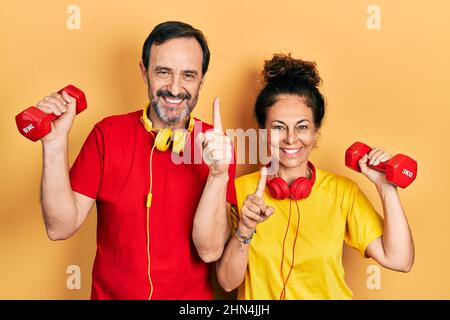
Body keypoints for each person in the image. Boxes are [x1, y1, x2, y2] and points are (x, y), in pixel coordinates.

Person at [37, 21, 236, 299]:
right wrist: (54, 142)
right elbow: (60, 227)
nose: (175, 89)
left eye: (188, 75)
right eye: (163, 72)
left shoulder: (218, 147)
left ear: (201, 80)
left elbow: (210, 250)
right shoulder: (106, 134)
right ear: (144, 72)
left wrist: (218, 173)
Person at [216, 53, 414, 299]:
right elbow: (226, 282)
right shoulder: (238, 190)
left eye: (302, 127)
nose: (291, 138)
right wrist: (245, 228)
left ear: (315, 132)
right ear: (263, 132)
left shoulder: (343, 191)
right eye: (278, 127)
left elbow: (399, 260)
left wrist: (386, 188)